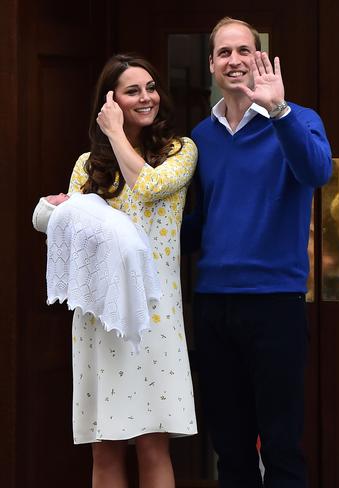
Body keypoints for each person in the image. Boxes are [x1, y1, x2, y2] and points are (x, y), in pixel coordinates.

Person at [33, 53, 197, 488]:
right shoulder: (87, 165)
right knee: (104, 448)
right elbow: (70, 232)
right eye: (132, 91)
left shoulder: (180, 151)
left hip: (155, 316)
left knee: (153, 443)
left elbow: (148, 186)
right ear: (111, 100)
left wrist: (114, 133)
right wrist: (52, 212)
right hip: (99, 315)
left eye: (150, 87)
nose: (146, 98)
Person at [181, 17, 332, 488]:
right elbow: (191, 225)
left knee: (282, 447)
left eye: (244, 51)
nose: (235, 60)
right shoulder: (199, 138)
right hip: (213, 307)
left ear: (259, 57)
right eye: (224, 53)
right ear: (210, 64)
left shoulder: (299, 119)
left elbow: (316, 172)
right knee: (230, 449)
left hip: (274, 305)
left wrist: (279, 111)